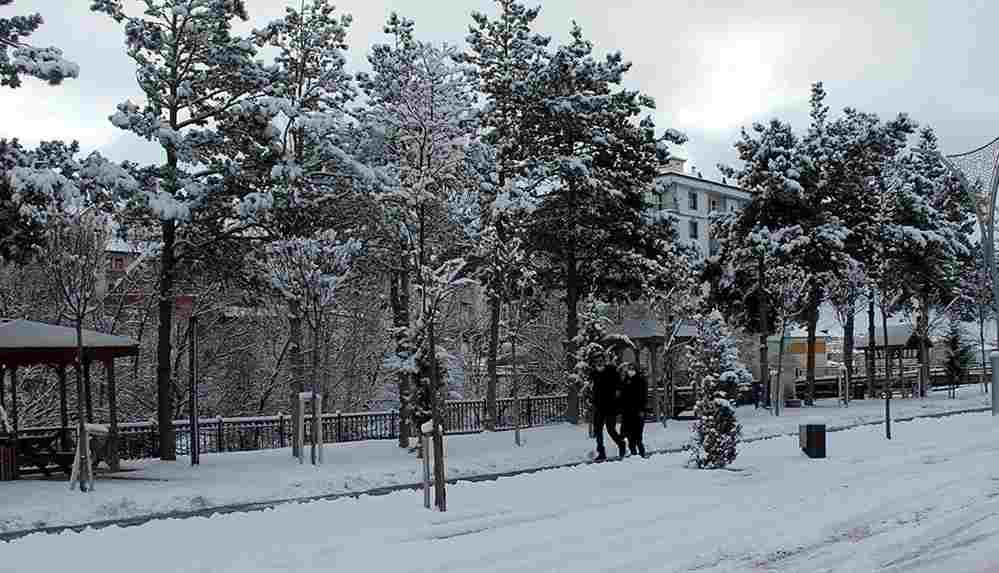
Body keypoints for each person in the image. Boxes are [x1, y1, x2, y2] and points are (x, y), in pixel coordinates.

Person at [590, 350, 625, 461]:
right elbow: (594, 388)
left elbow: (619, 386)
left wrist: (617, 395)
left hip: (610, 406)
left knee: (611, 429)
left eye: (600, 360)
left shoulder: (612, 371)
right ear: (594, 363)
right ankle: (601, 452)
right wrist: (592, 400)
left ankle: (621, 444)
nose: (599, 363)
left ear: (604, 361)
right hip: (599, 407)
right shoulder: (594, 373)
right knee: (598, 430)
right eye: (596, 361)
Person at [619, 362, 648, 458]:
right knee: (629, 436)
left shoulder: (641, 381)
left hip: (638, 412)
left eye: (632, 369)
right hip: (627, 413)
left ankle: (642, 454)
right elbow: (622, 396)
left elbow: (643, 397)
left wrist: (642, 410)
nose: (630, 371)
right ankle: (634, 455)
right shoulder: (625, 381)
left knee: (638, 437)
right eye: (629, 369)